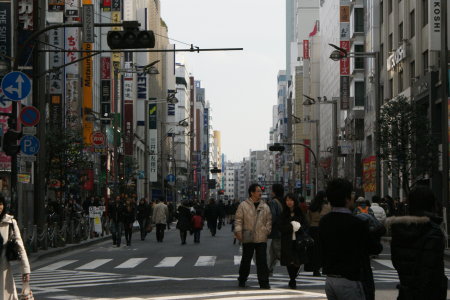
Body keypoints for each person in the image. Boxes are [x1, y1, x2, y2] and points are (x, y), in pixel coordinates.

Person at [319, 178, 382, 300]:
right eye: (352, 194)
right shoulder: (356, 223)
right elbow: (375, 248)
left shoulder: (324, 222)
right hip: (350, 280)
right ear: (347, 198)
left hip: (330, 279)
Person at [386, 186, 447, 300]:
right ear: (431, 204)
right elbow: (430, 268)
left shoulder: (399, 229)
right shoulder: (432, 231)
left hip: (406, 291)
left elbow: (396, 262)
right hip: (429, 293)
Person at [234, 183, 272, 289]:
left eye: (260, 191)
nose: (260, 193)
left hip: (261, 236)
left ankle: (264, 282)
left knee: (262, 261)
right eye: (258, 191)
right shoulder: (243, 205)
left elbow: (269, 220)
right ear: (252, 193)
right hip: (248, 236)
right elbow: (238, 219)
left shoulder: (265, 206)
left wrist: (267, 230)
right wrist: (238, 231)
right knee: (246, 260)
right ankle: (242, 279)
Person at [0, 195, 31, 299]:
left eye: (0, 204)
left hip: (4, 272)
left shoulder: (10, 223)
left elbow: (20, 246)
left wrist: (25, 271)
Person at [279, 193, 309, 289]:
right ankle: (292, 279)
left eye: (291, 200)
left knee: (297, 260)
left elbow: (305, 224)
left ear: (294, 201)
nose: (289, 202)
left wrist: (298, 227)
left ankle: (293, 277)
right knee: (289, 260)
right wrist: (291, 227)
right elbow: (280, 227)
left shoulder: (299, 212)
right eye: (287, 200)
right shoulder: (283, 213)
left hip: (298, 240)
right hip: (287, 240)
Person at [306, 190, 331, 276]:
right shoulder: (327, 206)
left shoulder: (312, 206)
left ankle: (315, 269)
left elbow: (308, 219)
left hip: (313, 229)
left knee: (314, 250)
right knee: (324, 249)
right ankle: (324, 268)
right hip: (323, 229)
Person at [267, 183, 283, 276]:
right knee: (272, 252)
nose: (271, 192)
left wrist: (267, 228)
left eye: (272, 190)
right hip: (282, 230)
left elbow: (272, 217)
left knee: (278, 251)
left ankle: (293, 264)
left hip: (276, 231)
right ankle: (269, 270)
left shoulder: (273, 202)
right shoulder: (284, 201)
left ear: (274, 191)